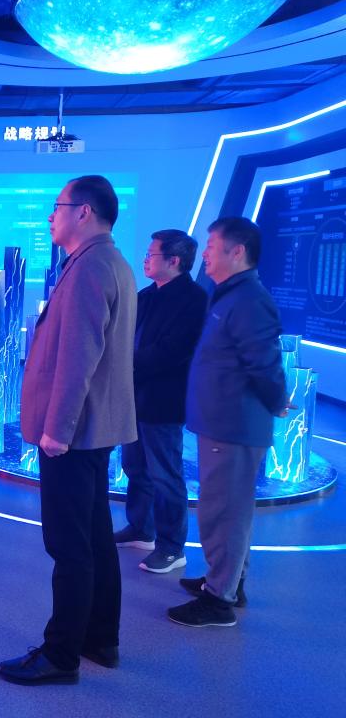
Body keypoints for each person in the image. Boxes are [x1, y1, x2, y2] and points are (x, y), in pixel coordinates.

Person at [0, 175, 137, 685]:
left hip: (73, 433)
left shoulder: (89, 268)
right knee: (95, 537)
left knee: (69, 544)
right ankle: (100, 638)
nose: (49, 216)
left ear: (84, 212)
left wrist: (56, 429)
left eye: (57, 207)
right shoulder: (109, 262)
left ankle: (61, 655)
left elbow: (78, 358)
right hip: (94, 428)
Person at [168, 216, 287, 627]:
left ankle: (219, 599)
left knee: (224, 513)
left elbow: (264, 363)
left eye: (212, 246)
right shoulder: (232, 295)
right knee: (227, 510)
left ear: (237, 252)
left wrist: (277, 401)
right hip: (223, 423)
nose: (204, 254)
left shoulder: (249, 300)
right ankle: (228, 582)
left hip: (234, 426)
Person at [114, 230, 207, 573]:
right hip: (135, 396)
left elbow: (173, 351)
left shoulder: (194, 300)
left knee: (165, 474)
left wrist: (126, 364)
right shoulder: (147, 295)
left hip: (164, 400)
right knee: (135, 466)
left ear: (174, 260)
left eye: (151, 254)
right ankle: (141, 528)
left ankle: (172, 547)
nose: (145, 260)